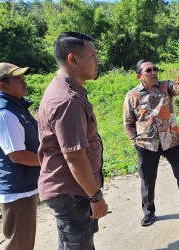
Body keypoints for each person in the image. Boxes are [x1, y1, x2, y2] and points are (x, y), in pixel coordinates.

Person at [37, 32, 108, 249]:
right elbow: (75, 158)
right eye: (93, 55)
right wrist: (95, 196)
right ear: (73, 59)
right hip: (73, 192)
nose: (97, 60)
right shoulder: (67, 100)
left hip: (75, 190)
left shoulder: (66, 89)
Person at [123, 59, 179, 226]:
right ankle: (149, 213)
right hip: (146, 143)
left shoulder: (165, 87)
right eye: (148, 70)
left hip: (170, 139)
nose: (153, 72)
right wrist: (135, 144)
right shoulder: (132, 96)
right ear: (139, 76)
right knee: (148, 180)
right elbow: (128, 122)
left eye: (155, 69)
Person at [0, 62, 40, 250]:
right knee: (19, 244)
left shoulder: (17, 107)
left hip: (23, 185)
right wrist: (52, 161)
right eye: (18, 78)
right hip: (17, 190)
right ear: (3, 85)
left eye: (23, 76)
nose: (23, 81)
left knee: (23, 242)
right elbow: (18, 155)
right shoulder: (4, 113)